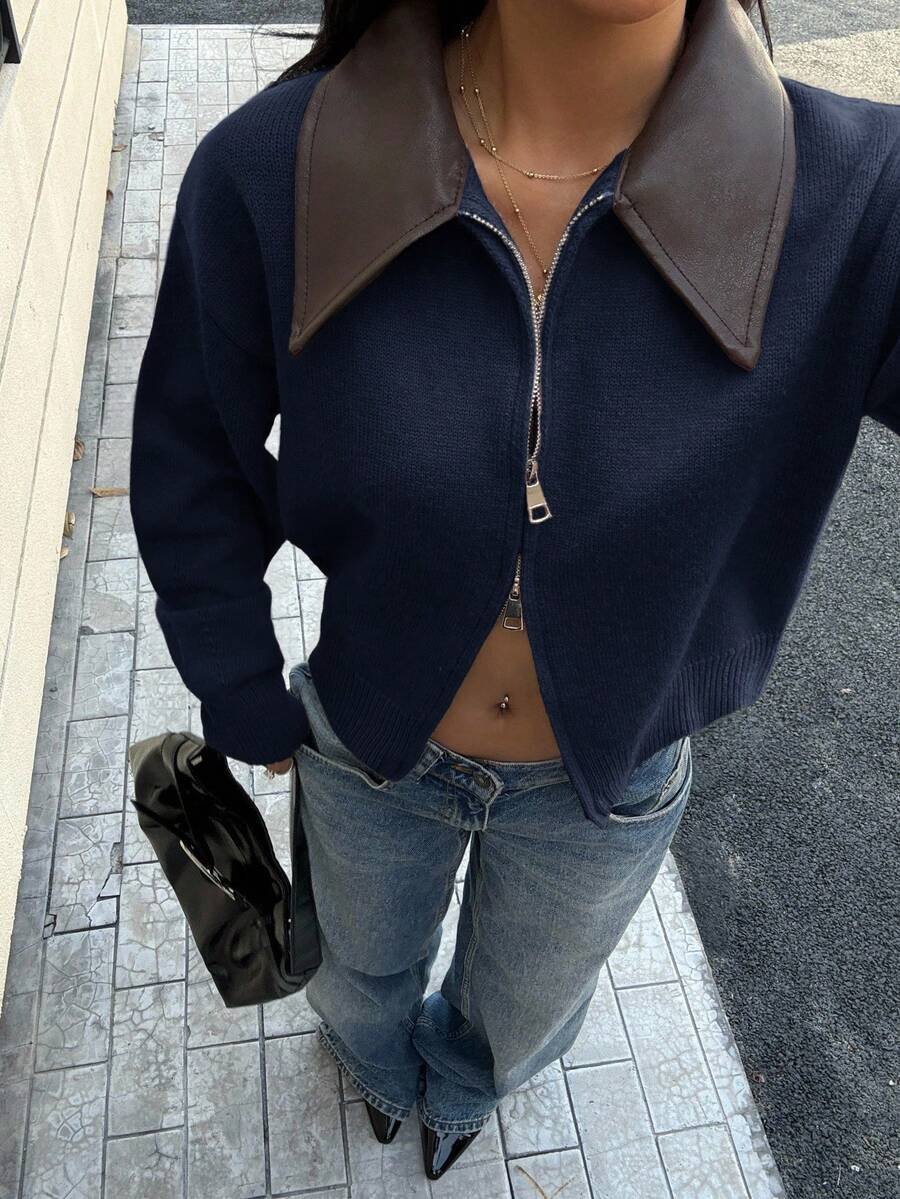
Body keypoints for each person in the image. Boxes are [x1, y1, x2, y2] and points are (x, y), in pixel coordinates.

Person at [129, 0, 900, 1181]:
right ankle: (375, 1066)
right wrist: (234, 676)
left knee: (523, 1008)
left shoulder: (858, 199)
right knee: (357, 973)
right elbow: (191, 451)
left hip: (610, 782)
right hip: (367, 744)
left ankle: (463, 1090)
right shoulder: (278, 164)